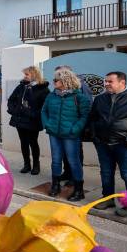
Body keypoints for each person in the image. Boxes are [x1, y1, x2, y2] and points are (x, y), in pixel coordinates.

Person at [88, 71, 127, 215]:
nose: (106, 84)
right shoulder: (100, 99)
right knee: (106, 172)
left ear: (122, 82)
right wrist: (95, 137)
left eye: (110, 81)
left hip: (125, 145)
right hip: (103, 144)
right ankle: (107, 198)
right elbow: (92, 119)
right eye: (105, 81)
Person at [42, 69, 91, 201]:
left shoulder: (79, 97)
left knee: (73, 161)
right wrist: (47, 124)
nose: (53, 82)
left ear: (65, 81)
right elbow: (44, 111)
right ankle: (56, 185)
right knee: (56, 160)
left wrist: (75, 129)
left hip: (70, 135)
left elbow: (85, 116)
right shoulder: (52, 96)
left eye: (56, 80)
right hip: (54, 133)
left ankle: (79, 190)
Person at [53, 65, 94, 186]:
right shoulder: (58, 89)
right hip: (60, 128)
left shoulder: (81, 86)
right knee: (65, 152)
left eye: (59, 75)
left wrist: (78, 127)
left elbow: (88, 107)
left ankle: (75, 177)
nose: (56, 79)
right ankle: (67, 172)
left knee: (75, 153)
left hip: (74, 128)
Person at [7, 66, 50, 175]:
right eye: (25, 74)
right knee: (24, 142)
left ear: (34, 75)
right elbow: (11, 99)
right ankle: (27, 164)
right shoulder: (21, 86)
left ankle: (36, 165)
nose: (24, 76)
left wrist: (33, 114)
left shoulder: (43, 89)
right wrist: (14, 111)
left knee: (33, 142)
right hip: (20, 119)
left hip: (32, 121)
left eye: (27, 74)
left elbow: (45, 106)